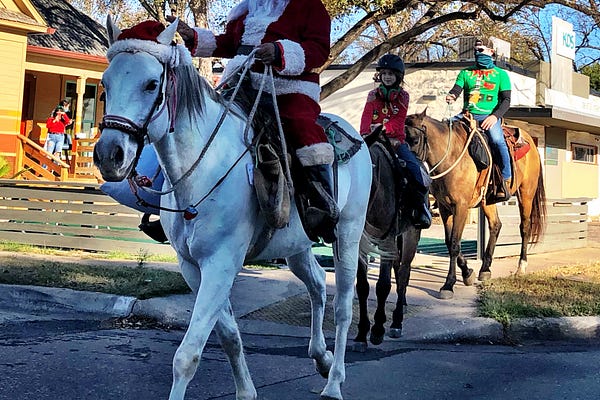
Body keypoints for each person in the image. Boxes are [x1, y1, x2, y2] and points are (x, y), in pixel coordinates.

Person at [168, 0, 337, 243]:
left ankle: (321, 206)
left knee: (303, 130)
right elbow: (231, 44)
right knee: (204, 122)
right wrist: (194, 37)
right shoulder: (246, 9)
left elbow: (318, 50)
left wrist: (279, 52)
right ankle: (172, 204)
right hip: (241, 84)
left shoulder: (310, 6)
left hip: (288, 89)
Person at [360, 54, 432, 229]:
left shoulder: (403, 97)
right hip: (373, 140)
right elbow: (366, 118)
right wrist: (366, 133)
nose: (387, 77)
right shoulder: (372, 95)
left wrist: (381, 128)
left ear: (398, 77)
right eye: (384, 73)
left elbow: (398, 122)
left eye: (391, 74)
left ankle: (421, 209)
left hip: (395, 142)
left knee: (415, 170)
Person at [445, 38, 512, 199]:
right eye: (475, 50)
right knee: (444, 130)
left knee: (497, 140)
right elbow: (456, 89)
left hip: (489, 117)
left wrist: (495, 117)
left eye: (481, 50)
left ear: (491, 52)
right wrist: (452, 96)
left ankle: (505, 178)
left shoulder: (501, 75)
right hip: (467, 115)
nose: (477, 53)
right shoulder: (465, 72)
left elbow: (506, 101)